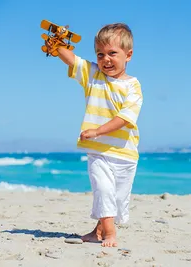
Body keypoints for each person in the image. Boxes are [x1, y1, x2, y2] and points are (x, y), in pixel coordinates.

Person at [44, 23, 143, 247]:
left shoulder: (133, 87)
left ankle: (97, 232)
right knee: (103, 190)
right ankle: (110, 234)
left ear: (128, 55)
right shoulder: (93, 76)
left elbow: (125, 119)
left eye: (112, 53)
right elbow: (73, 60)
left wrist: (99, 130)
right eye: (100, 54)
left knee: (116, 199)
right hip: (98, 151)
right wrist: (58, 45)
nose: (105, 59)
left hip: (125, 153)